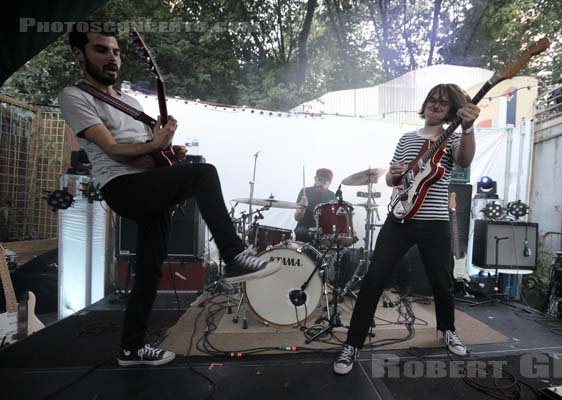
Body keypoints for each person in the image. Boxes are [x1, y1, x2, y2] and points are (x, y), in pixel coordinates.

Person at [58, 24, 280, 367]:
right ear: (79, 54)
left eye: (116, 51)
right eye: (101, 50)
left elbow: (146, 154)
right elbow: (114, 149)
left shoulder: (130, 103)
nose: (112, 58)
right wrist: (155, 144)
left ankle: (131, 349)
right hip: (123, 187)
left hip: (149, 184)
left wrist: (165, 153)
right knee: (205, 173)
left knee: (149, 269)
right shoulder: (76, 96)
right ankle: (234, 255)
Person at [333, 84, 480, 374]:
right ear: (425, 104)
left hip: (435, 221)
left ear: (451, 110)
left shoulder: (451, 137)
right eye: (432, 100)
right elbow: (393, 180)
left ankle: (448, 330)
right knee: (374, 280)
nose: (435, 105)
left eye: (443, 103)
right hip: (400, 218)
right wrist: (393, 175)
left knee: (442, 282)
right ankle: (352, 344)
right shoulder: (406, 138)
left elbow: (464, 160)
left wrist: (469, 128)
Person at [294, 168, 336, 242]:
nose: (321, 183)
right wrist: (302, 209)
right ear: (315, 179)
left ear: (330, 183)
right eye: (319, 180)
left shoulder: (332, 196)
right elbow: (297, 218)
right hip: (305, 226)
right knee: (301, 232)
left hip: (324, 228)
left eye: (325, 182)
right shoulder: (305, 191)